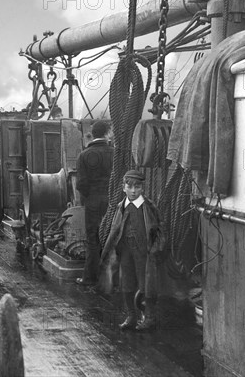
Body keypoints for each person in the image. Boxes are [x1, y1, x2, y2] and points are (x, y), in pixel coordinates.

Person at [100, 169, 165, 332]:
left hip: (144, 251)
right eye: (130, 187)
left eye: (137, 187)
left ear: (142, 188)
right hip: (125, 250)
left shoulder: (149, 207)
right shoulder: (121, 207)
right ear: (124, 188)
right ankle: (131, 316)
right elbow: (115, 229)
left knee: (146, 284)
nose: (133, 190)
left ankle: (149, 317)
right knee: (126, 282)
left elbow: (160, 229)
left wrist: (156, 248)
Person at [75, 120, 114, 286]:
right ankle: (114, 279)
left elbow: (80, 184)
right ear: (106, 133)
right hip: (113, 201)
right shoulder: (115, 153)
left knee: (93, 239)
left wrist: (89, 197)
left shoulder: (83, 155)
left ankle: (90, 278)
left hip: (92, 201)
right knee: (113, 237)